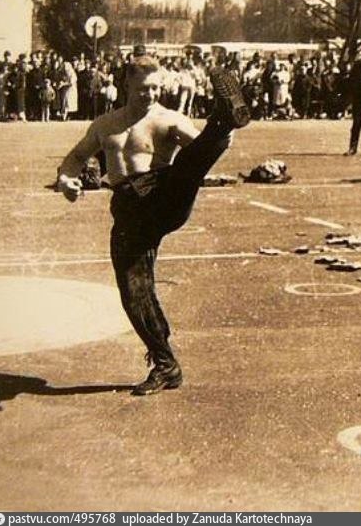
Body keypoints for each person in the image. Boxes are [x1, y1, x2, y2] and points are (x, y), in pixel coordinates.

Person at [56, 56, 251, 396]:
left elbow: (202, 152)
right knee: (134, 292)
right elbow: (76, 157)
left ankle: (222, 118)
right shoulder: (105, 125)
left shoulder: (169, 119)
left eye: (156, 88)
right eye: (143, 89)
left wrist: (223, 134)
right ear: (127, 85)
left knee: (189, 162)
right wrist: (66, 180)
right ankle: (166, 365)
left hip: (164, 194)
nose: (150, 94)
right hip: (130, 210)